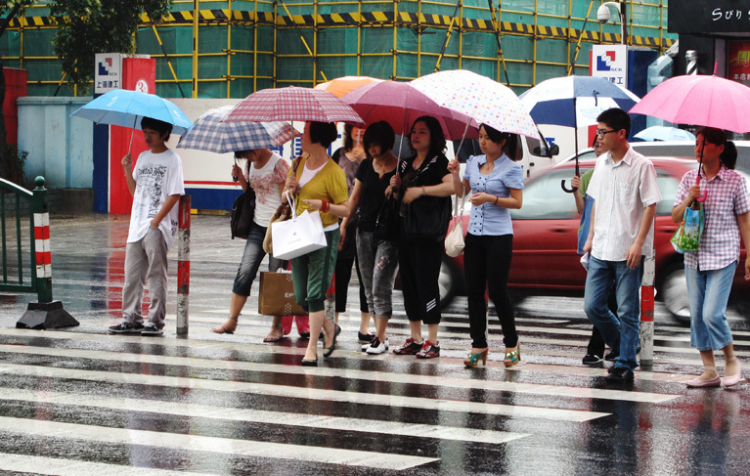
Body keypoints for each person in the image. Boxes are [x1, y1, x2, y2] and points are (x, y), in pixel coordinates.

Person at [583, 108, 661, 383]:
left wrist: (638, 243)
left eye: (603, 132)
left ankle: (626, 361)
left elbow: (651, 205)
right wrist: (590, 236)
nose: (598, 136)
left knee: (628, 309)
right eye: (598, 131)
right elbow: (595, 202)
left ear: (621, 134)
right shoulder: (601, 164)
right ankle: (624, 344)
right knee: (592, 306)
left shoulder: (642, 165)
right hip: (602, 248)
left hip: (628, 250)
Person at [672, 127, 749, 388]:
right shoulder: (689, 180)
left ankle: (731, 360)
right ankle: (708, 370)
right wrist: (689, 199)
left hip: (724, 255)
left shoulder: (735, 181)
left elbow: (744, 219)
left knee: (712, 314)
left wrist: (749, 254)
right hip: (694, 256)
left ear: (720, 148)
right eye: (696, 143)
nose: (697, 148)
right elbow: (675, 216)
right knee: (697, 315)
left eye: (703, 144)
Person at [448, 124, 523, 368]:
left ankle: (511, 343)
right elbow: (461, 192)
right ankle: (478, 343)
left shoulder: (511, 168)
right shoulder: (473, 162)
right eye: (480, 137)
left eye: (488, 138)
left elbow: (517, 202)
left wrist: (491, 198)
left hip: (499, 237)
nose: (482, 142)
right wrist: (454, 174)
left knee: (498, 292)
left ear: (501, 141)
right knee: (474, 292)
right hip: (475, 236)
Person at [108, 117, 184, 336]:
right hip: (136, 226)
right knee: (132, 276)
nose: (147, 136)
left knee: (155, 275)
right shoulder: (141, 157)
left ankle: (155, 321)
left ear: (164, 134)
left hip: (156, 227)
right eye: (145, 132)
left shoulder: (172, 159)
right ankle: (130, 318)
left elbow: (175, 193)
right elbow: (135, 192)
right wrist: (127, 168)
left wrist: (156, 221)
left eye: (152, 132)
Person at [284, 121, 349, 366]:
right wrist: (289, 190)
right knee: (301, 297)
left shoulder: (334, 172)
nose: (301, 135)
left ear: (318, 137)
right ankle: (330, 327)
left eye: (306, 132)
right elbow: (286, 198)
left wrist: (322, 205)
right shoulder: (298, 163)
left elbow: (346, 208)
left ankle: (312, 347)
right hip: (299, 233)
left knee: (314, 295)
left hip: (323, 235)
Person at [212, 148, 293, 340]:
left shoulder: (278, 164)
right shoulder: (250, 164)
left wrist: (290, 187)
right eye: (244, 156)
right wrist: (240, 177)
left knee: (276, 277)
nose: (247, 158)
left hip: (279, 227)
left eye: (248, 153)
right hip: (257, 226)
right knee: (245, 270)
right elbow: (251, 192)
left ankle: (276, 326)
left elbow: (286, 200)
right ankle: (232, 319)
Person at [391, 116, 455, 359]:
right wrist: (394, 185)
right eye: (414, 132)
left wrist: (422, 190)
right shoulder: (405, 164)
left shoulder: (440, 162)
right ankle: (416, 338)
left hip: (429, 233)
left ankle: (433, 340)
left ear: (433, 136)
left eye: (422, 132)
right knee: (409, 284)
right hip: (407, 231)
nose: (416, 136)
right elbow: (400, 196)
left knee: (428, 283)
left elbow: (452, 187)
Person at [346, 121, 400, 355]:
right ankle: (380, 337)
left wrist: (396, 188)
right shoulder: (366, 166)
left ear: (387, 143)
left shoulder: (400, 168)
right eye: (371, 145)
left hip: (388, 235)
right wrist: (343, 225)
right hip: (363, 230)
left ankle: (380, 337)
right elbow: (355, 197)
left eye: (377, 145)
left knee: (381, 282)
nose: (373, 149)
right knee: (368, 284)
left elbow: (404, 202)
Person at [571, 137, 618, 365]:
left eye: (601, 144)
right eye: (595, 145)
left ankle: (607, 347)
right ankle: (609, 346)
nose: (598, 148)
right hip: (594, 243)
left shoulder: (618, 172)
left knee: (609, 300)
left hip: (614, 243)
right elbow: (583, 210)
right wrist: (575, 191)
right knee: (602, 300)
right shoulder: (589, 176)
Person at [332, 125, 373, 342]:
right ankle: (334, 322)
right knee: (341, 272)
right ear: (348, 131)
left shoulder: (374, 158)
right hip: (341, 220)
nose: (360, 133)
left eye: (365, 130)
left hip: (366, 220)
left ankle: (365, 327)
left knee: (366, 274)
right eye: (356, 129)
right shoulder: (338, 155)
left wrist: (365, 158)